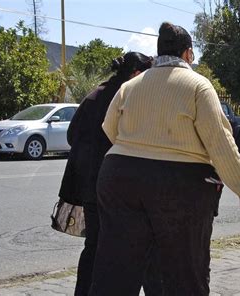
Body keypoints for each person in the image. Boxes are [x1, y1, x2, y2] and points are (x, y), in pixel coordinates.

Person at [90, 22, 240, 295]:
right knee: (186, 271)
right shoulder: (198, 86)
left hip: (119, 178)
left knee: (116, 268)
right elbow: (219, 140)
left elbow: (109, 129)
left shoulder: (130, 86)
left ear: (156, 55)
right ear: (188, 54)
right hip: (179, 185)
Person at [57, 52, 154, 296]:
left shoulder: (95, 94)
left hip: (88, 186)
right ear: (136, 74)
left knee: (94, 246)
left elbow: (72, 136)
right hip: (112, 186)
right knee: (117, 248)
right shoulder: (125, 97)